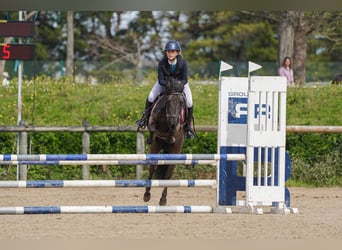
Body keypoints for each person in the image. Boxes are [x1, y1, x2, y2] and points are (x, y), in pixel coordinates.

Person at [136, 40, 196, 141]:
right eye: (168, 51)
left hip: (179, 85)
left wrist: (178, 85)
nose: (170, 53)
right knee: (151, 96)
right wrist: (168, 85)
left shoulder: (183, 63)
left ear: (177, 52)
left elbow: (185, 79)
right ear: (166, 52)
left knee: (189, 102)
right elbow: (160, 80)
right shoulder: (162, 63)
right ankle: (144, 119)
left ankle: (188, 127)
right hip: (165, 84)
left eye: (173, 51)